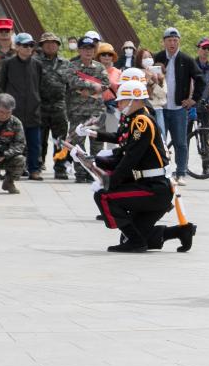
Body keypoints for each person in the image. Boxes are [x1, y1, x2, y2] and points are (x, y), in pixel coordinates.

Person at [88, 81, 196, 253]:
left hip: (154, 188)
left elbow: (131, 156)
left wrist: (112, 181)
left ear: (135, 100)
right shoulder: (138, 117)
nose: (119, 104)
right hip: (153, 185)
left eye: (123, 100)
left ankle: (136, 243)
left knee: (104, 197)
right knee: (131, 234)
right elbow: (125, 149)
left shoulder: (141, 121)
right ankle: (181, 231)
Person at [153, 27, 202, 184]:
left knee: (181, 142)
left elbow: (201, 79)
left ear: (179, 41)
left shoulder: (186, 60)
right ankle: (162, 172)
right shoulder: (158, 58)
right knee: (159, 142)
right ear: (164, 42)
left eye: (175, 40)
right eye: (169, 40)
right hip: (160, 107)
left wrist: (194, 99)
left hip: (179, 108)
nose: (172, 43)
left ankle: (181, 172)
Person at [66, 35, 114, 184]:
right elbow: (72, 81)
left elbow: (106, 83)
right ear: (80, 50)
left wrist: (88, 89)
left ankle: (95, 171)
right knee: (77, 143)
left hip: (96, 112)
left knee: (97, 144)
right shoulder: (72, 65)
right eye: (85, 48)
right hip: (77, 112)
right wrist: (93, 86)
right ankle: (80, 173)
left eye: (91, 48)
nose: (88, 51)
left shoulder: (99, 67)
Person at [0, 33, 44, 180]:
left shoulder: (37, 64)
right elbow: (2, 85)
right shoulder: (8, 63)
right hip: (14, 110)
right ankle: (11, 170)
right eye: (25, 45)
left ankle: (34, 170)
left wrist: (36, 100)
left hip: (33, 110)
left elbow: (40, 85)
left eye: (31, 45)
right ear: (17, 46)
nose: (29, 48)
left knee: (34, 143)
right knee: (11, 142)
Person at [35, 32, 75, 180]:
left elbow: (71, 86)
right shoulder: (35, 62)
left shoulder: (66, 63)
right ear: (42, 46)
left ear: (58, 46)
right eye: (47, 43)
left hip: (59, 107)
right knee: (40, 140)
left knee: (60, 140)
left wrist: (69, 107)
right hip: (40, 107)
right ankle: (37, 166)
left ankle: (60, 167)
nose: (50, 45)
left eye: (53, 43)